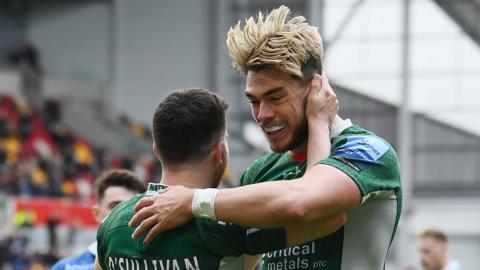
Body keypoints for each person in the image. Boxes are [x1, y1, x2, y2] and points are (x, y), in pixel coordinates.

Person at [129, 6, 402, 270]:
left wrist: (192, 201)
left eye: (275, 97)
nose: (262, 114)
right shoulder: (261, 172)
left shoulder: (367, 152)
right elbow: (241, 261)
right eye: (254, 101)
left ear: (316, 87)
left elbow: (303, 202)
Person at [95, 87, 342, 270]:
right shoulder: (227, 225)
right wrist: (318, 123)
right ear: (219, 152)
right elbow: (328, 214)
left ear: (156, 150)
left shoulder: (111, 224)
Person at [51, 169, 146, 270]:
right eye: (116, 206)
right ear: (97, 214)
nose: (124, 214)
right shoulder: (66, 267)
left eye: (132, 207)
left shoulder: (158, 264)